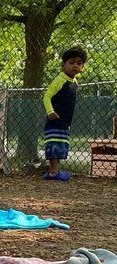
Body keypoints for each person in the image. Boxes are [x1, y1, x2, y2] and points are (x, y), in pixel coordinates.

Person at [43, 46, 87, 181]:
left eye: (79, 63)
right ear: (64, 65)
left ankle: (55, 171)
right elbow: (47, 96)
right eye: (72, 62)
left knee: (61, 145)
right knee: (54, 144)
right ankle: (53, 172)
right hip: (55, 120)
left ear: (83, 66)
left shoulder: (74, 82)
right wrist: (50, 111)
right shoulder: (60, 80)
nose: (75, 66)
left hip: (65, 121)